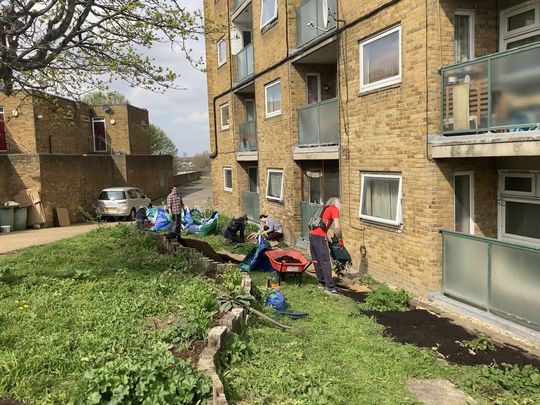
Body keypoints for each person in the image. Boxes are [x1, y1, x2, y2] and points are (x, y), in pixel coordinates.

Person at [308, 197, 343, 296]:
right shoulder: (334, 209)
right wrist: (340, 240)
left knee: (316, 260)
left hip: (312, 235)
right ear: (337, 204)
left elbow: (321, 226)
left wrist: (327, 239)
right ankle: (330, 287)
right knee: (325, 261)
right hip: (319, 236)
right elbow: (337, 227)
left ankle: (321, 282)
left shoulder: (324, 209)